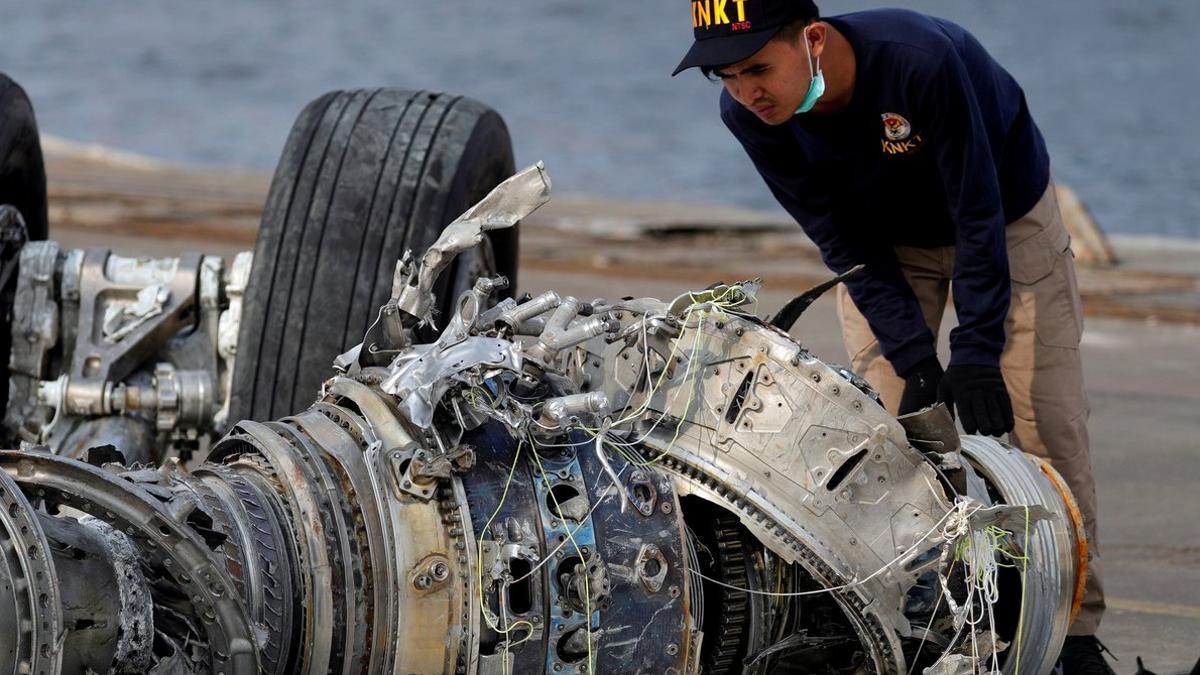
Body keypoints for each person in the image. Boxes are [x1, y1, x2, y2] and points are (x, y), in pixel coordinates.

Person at [673, 1, 1112, 672]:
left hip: (1004, 219)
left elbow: (979, 210)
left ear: (812, 39)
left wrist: (974, 352)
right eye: (725, 77)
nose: (746, 92)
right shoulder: (749, 116)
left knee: (1042, 424)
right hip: (883, 242)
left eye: (759, 68)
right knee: (884, 438)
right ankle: (918, 621)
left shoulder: (920, 63)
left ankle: (1076, 636)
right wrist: (914, 356)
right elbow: (840, 238)